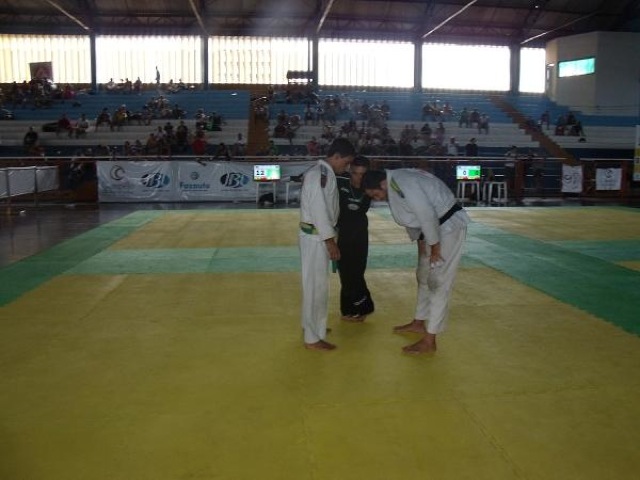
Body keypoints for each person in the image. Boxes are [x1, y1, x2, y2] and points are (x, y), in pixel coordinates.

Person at [362, 168, 470, 355]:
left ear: (381, 184)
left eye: (375, 194)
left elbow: (426, 214)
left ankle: (430, 340)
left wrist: (435, 247)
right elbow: (412, 217)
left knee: (438, 282)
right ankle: (419, 322)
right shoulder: (395, 183)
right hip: (430, 231)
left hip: (448, 227)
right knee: (423, 275)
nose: (377, 198)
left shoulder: (404, 182)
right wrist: (421, 241)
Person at [299, 138, 356, 351]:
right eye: (346, 162)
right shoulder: (319, 175)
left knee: (314, 284)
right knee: (316, 287)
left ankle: (311, 326)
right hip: (317, 237)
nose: (347, 167)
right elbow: (319, 210)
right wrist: (330, 242)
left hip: (317, 235)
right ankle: (313, 338)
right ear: (336, 157)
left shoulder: (323, 174)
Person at [336, 155, 375, 322]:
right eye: (355, 173)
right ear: (349, 171)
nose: (358, 177)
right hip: (342, 232)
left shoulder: (370, 187)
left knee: (357, 271)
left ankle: (364, 308)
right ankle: (348, 309)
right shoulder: (340, 182)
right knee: (344, 271)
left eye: (362, 174)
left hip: (359, 233)